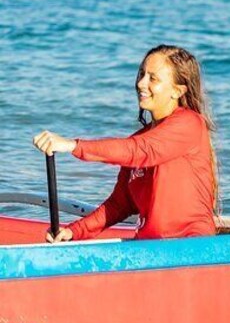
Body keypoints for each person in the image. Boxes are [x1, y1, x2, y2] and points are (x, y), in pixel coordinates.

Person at [32, 45, 218, 242]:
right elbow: (120, 204)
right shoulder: (140, 139)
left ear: (177, 91)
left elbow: (139, 150)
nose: (141, 83)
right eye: (141, 74)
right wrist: (74, 231)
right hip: (150, 248)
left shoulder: (190, 123)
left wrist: (73, 145)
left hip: (192, 247)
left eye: (153, 78)